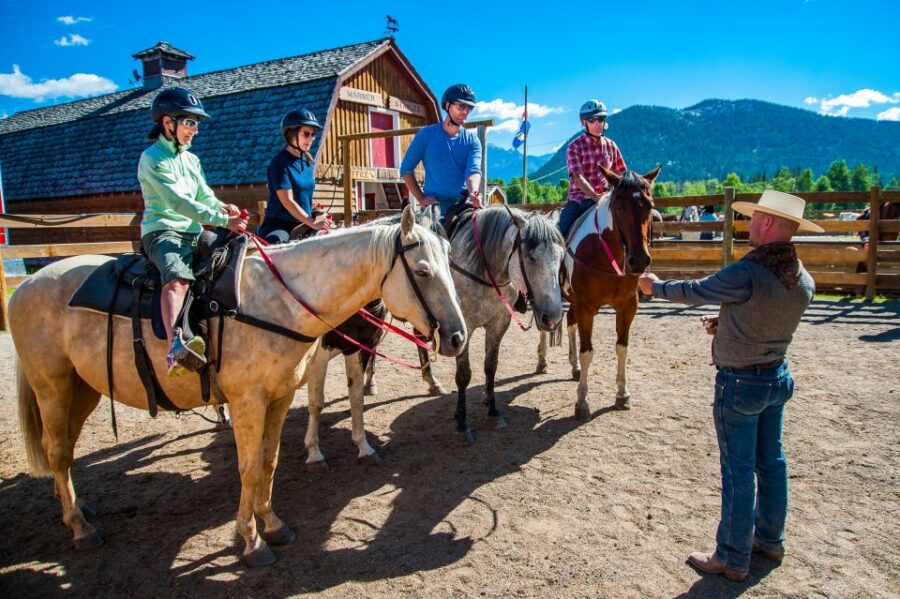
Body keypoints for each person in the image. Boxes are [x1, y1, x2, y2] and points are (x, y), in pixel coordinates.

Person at [637, 190, 824, 582]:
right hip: (776, 376)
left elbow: (697, 290)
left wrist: (655, 287)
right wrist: (728, 325)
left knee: (737, 470)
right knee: (771, 463)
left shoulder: (749, 273)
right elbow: (765, 317)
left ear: (769, 223)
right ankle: (770, 540)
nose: (749, 223)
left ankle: (731, 555)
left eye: (755, 217)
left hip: (740, 382)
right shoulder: (802, 278)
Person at [138, 87, 248, 376]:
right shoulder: (153, 159)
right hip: (163, 232)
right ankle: (176, 346)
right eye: (189, 122)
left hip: (193, 230)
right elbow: (178, 202)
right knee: (176, 279)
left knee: (233, 258)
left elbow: (204, 195)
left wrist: (224, 209)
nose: (195, 130)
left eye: (196, 123)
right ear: (167, 122)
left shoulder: (191, 160)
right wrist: (222, 221)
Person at [400, 83, 483, 224]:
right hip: (432, 209)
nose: (465, 111)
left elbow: (473, 171)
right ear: (447, 105)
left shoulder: (472, 141)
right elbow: (406, 169)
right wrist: (421, 198)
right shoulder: (426, 135)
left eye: (469, 108)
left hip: (462, 207)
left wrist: (474, 192)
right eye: (461, 106)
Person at [257, 108, 333, 243]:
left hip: (303, 223)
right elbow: (287, 201)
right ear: (291, 134)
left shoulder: (308, 163)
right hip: (280, 226)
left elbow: (303, 195)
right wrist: (313, 223)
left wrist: (314, 210)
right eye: (306, 134)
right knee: (277, 248)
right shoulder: (279, 164)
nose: (311, 139)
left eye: (313, 134)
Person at [557, 99, 627, 238]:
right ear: (584, 122)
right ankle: (559, 258)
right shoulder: (574, 146)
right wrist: (595, 196)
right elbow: (578, 177)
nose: (597, 124)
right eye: (591, 120)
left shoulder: (611, 146)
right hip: (579, 200)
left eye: (600, 119)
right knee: (559, 234)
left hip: (607, 199)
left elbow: (623, 175)